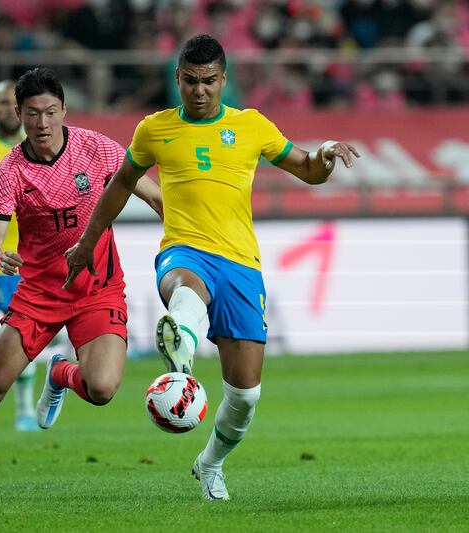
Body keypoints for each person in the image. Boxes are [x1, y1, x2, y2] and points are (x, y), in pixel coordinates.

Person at [65, 34, 360, 502]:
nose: (198, 91)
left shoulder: (251, 126)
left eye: (207, 81)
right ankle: (179, 343)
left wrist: (324, 152)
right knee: (185, 287)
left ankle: (210, 464)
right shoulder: (154, 130)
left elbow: (307, 169)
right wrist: (87, 242)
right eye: (189, 81)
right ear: (177, 79)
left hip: (242, 265)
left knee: (244, 400)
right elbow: (121, 185)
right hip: (185, 249)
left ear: (223, 80)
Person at [0, 67, 163, 500]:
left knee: (103, 388)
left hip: (97, 286)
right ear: (18, 114)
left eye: (51, 111)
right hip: (39, 294)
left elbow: (153, 194)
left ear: (64, 110)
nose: (43, 122)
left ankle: (60, 373)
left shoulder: (98, 149)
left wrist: (182, 229)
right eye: (33, 113)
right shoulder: (10, 171)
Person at [0, 80, 38, 432]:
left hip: (43, 253)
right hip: (4, 257)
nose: (4, 108)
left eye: (9, 101)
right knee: (24, 331)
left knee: (41, 327)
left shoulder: (39, 144)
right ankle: (24, 410)